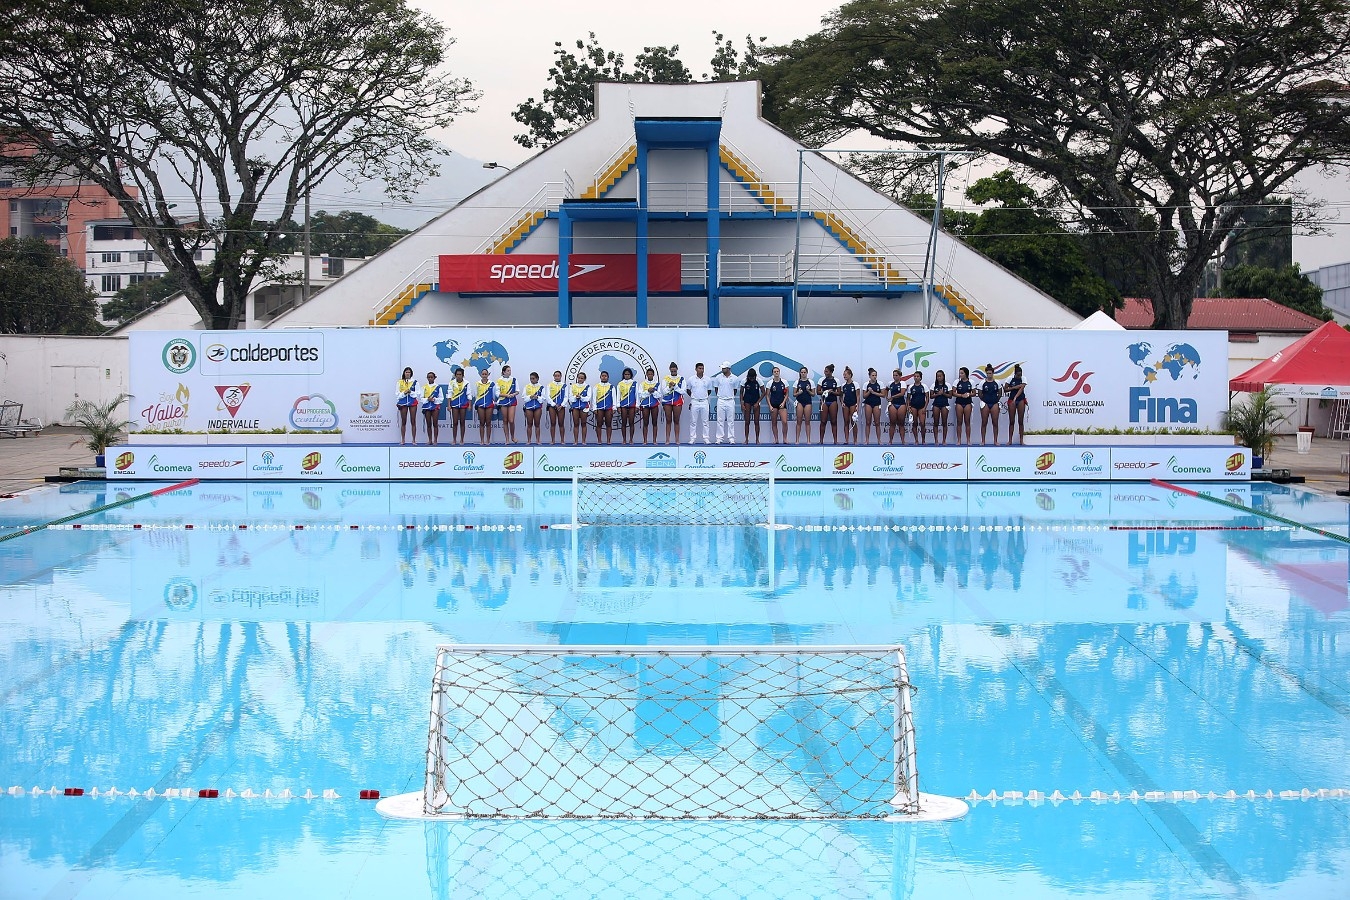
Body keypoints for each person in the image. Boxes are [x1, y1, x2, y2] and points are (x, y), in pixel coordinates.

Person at [712, 361, 740, 444]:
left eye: (724, 368)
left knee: (730, 421)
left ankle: (731, 438)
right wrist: (721, 396)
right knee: (720, 420)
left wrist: (729, 396)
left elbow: (735, 390)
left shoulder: (735, 378)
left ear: (728, 368)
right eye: (722, 368)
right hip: (721, 400)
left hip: (730, 401)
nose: (722, 369)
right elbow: (716, 388)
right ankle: (719, 439)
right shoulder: (718, 377)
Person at [686, 361, 712, 444]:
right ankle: (692, 438)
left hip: (704, 401)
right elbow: (688, 390)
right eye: (700, 368)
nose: (701, 370)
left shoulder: (707, 379)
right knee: (693, 421)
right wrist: (694, 397)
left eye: (703, 368)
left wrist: (703, 397)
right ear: (696, 369)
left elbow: (709, 391)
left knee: (705, 421)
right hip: (695, 402)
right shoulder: (691, 379)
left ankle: (706, 438)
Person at [661, 362, 685, 444]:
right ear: (670, 370)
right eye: (672, 371)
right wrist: (669, 387)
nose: (673, 372)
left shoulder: (681, 379)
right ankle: (667, 439)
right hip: (667, 401)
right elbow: (663, 392)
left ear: (677, 369)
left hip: (677, 401)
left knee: (676, 420)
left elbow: (683, 391)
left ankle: (677, 439)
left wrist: (676, 387)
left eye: (675, 371)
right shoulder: (665, 379)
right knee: (668, 420)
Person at [978, 364, 1002, 445]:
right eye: (987, 373)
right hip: (985, 403)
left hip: (994, 403)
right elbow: (980, 394)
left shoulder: (997, 382)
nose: (989, 375)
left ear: (993, 373)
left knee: (995, 423)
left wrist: (995, 400)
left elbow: (1000, 393)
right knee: (984, 422)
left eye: (990, 373)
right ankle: (983, 441)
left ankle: (995, 441)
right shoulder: (982, 383)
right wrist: (984, 400)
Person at [445, 367, 470, 445]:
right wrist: (449, 405)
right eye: (457, 374)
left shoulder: (467, 383)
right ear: (455, 375)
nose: (458, 376)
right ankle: (454, 439)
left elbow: (469, 394)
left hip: (463, 404)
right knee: (455, 422)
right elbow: (449, 394)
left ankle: (462, 439)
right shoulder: (451, 383)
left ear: (463, 375)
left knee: (462, 422)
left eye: (460, 374)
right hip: (454, 404)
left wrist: (469, 405)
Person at [472, 368, 496, 445]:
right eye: (483, 374)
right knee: (482, 422)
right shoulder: (477, 384)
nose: (484, 375)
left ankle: (488, 440)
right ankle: (482, 440)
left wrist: (491, 401)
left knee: (488, 422)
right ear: (480, 375)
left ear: (488, 375)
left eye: (486, 374)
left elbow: (494, 395)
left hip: (489, 404)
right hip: (480, 405)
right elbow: (476, 395)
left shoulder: (492, 384)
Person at [817, 363, 840, 444]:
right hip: (824, 402)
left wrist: (832, 392)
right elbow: (818, 391)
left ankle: (835, 441)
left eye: (827, 371)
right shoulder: (821, 380)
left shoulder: (836, 380)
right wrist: (825, 391)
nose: (825, 373)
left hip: (833, 401)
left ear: (831, 372)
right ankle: (821, 441)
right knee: (823, 421)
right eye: (824, 371)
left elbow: (839, 393)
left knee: (834, 421)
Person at [495, 364, 519, 443]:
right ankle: (507, 439)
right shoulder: (499, 380)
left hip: (512, 401)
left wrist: (513, 394)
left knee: (511, 420)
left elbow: (517, 391)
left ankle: (513, 437)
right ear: (503, 372)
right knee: (505, 420)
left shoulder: (514, 380)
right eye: (508, 371)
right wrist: (505, 395)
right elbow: (497, 393)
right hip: (503, 401)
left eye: (510, 370)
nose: (509, 372)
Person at [1005, 363, 1028, 445]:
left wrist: (1015, 398)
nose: (1019, 376)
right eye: (1018, 375)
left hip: (1020, 399)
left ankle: (1021, 440)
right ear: (1015, 374)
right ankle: (1010, 440)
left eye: (1020, 375)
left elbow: (1021, 389)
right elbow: (1005, 389)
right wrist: (1014, 387)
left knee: (1020, 421)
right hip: (1011, 399)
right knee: (1011, 421)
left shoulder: (1024, 378)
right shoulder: (1010, 378)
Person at [420, 371, 444, 446]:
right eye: (429, 377)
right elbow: (421, 398)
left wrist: (434, 400)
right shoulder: (424, 387)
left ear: (434, 378)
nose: (430, 378)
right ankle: (430, 440)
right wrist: (427, 399)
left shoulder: (438, 387)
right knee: (428, 424)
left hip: (435, 407)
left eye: (431, 377)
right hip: (427, 407)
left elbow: (441, 398)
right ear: (427, 378)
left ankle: (435, 440)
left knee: (435, 423)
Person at [396, 366, 419, 445]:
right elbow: (397, 394)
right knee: (403, 421)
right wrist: (404, 393)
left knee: (413, 420)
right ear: (404, 373)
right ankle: (403, 440)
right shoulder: (400, 382)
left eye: (409, 372)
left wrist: (411, 392)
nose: (407, 374)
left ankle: (414, 440)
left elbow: (418, 394)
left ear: (411, 373)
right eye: (406, 372)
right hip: (403, 403)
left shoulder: (415, 382)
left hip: (412, 402)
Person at [569, 371, 593, 445]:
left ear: (584, 379)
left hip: (584, 407)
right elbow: (570, 397)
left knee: (583, 424)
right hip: (575, 406)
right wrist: (575, 397)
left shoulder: (588, 387)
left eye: (582, 378)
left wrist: (581, 397)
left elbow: (588, 398)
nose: (580, 379)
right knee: (576, 424)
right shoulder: (573, 386)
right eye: (579, 378)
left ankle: (583, 441)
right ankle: (576, 441)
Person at [741, 367, 763, 444]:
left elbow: (764, 393)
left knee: (756, 421)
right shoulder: (744, 381)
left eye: (753, 378)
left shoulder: (758, 380)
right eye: (750, 378)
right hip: (747, 401)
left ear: (755, 376)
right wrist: (742, 403)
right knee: (747, 421)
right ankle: (746, 439)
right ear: (748, 376)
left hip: (756, 401)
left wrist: (758, 402)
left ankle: (757, 439)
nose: (752, 379)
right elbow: (741, 392)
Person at [767, 366, 789, 445]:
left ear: (779, 372)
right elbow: (767, 395)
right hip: (773, 404)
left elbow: (787, 394)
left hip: (782, 404)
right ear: (773, 373)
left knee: (784, 421)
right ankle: (776, 439)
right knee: (774, 422)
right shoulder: (770, 383)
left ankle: (785, 438)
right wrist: (770, 406)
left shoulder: (784, 382)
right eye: (775, 372)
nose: (776, 373)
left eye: (777, 371)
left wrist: (783, 402)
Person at [953, 367, 974, 446]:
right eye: (960, 373)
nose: (960, 375)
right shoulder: (957, 382)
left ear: (966, 374)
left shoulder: (971, 382)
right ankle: (959, 440)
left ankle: (968, 440)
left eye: (962, 373)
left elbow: (974, 393)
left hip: (968, 403)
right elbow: (953, 393)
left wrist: (968, 394)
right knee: (959, 422)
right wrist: (961, 395)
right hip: (959, 403)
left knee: (967, 422)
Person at [639, 366, 661, 444]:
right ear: (646, 375)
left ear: (653, 375)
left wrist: (653, 391)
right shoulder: (642, 384)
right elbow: (640, 395)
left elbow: (659, 395)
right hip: (645, 405)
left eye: (651, 374)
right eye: (649, 374)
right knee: (645, 422)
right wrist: (648, 391)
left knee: (654, 422)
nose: (650, 375)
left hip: (654, 405)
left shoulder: (657, 384)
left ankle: (654, 440)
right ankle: (645, 440)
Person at [545, 370, 567, 444]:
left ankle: (562, 440)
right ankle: (553, 440)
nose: (557, 377)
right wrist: (553, 404)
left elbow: (566, 397)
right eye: (555, 376)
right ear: (553, 376)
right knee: (553, 423)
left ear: (561, 376)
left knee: (561, 423)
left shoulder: (564, 385)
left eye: (558, 376)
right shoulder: (549, 385)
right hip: (552, 406)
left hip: (561, 406)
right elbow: (547, 396)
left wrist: (562, 405)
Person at [593, 370, 615, 445]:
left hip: (608, 408)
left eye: (605, 376)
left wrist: (614, 407)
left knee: (608, 424)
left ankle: (608, 440)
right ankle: (599, 440)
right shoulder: (596, 386)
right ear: (600, 377)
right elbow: (594, 398)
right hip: (599, 408)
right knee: (599, 424)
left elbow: (613, 398)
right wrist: (594, 408)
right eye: (602, 376)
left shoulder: (611, 387)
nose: (604, 377)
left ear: (608, 377)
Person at [616, 367, 638, 445]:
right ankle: (624, 439)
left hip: (632, 405)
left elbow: (636, 395)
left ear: (631, 375)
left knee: (631, 422)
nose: (627, 376)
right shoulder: (620, 384)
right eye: (625, 374)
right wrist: (618, 406)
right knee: (624, 423)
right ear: (623, 375)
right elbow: (618, 395)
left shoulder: (635, 383)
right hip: (623, 405)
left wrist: (637, 406)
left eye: (628, 374)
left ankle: (631, 439)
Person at [522, 372, 544, 445]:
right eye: (531, 378)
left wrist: (537, 397)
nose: (532, 380)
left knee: (537, 424)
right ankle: (529, 440)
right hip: (529, 407)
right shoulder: (527, 387)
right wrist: (530, 397)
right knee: (529, 424)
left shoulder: (541, 387)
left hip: (537, 407)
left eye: (533, 378)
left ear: (537, 378)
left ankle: (538, 440)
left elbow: (543, 398)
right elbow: (524, 398)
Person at [862, 367, 883, 445]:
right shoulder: (866, 384)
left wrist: (874, 392)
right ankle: (867, 440)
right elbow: (864, 396)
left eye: (875, 375)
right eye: (873, 375)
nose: (874, 377)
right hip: (868, 403)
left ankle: (879, 440)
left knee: (877, 422)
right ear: (870, 376)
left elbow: (883, 395)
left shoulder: (880, 383)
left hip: (877, 403)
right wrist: (869, 392)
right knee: (868, 422)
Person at [793, 366, 814, 445]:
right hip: (799, 402)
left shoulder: (810, 382)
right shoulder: (797, 382)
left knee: (807, 422)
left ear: (807, 373)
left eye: (804, 372)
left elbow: (813, 394)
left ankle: (808, 439)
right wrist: (799, 393)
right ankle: (797, 439)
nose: (803, 374)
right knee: (799, 421)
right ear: (800, 373)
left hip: (808, 402)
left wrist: (808, 390)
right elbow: (794, 394)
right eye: (802, 372)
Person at [907, 371, 928, 445]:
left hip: (922, 407)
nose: (916, 378)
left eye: (917, 376)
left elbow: (927, 398)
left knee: (922, 423)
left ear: (920, 377)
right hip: (913, 407)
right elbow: (908, 398)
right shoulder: (911, 387)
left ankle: (923, 440)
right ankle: (916, 440)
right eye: (915, 376)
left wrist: (925, 407)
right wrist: (908, 407)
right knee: (915, 423)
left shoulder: (924, 386)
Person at [930, 370, 951, 446]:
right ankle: (936, 440)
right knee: (936, 422)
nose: (939, 377)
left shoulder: (947, 385)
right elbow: (931, 396)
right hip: (936, 405)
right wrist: (938, 394)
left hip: (945, 404)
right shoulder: (933, 385)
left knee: (944, 423)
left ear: (943, 376)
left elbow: (950, 396)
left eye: (940, 376)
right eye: (937, 376)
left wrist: (944, 393)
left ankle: (944, 440)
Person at [887, 368, 907, 445]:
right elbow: (886, 389)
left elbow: (902, 393)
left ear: (900, 376)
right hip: (893, 404)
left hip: (901, 404)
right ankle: (890, 441)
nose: (894, 377)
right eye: (894, 375)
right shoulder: (890, 383)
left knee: (901, 423)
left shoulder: (902, 383)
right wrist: (887, 397)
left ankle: (903, 441)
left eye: (896, 375)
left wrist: (892, 396)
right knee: (892, 423)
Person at [840, 366, 859, 444]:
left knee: (853, 421)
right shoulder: (843, 385)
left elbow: (858, 395)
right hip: (846, 404)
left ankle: (855, 440)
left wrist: (857, 404)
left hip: (853, 404)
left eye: (846, 374)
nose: (844, 376)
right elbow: (841, 395)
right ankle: (846, 440)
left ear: (850, 375)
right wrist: (842, 402)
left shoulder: (855, 384)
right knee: (846, 421)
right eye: (843, 375)